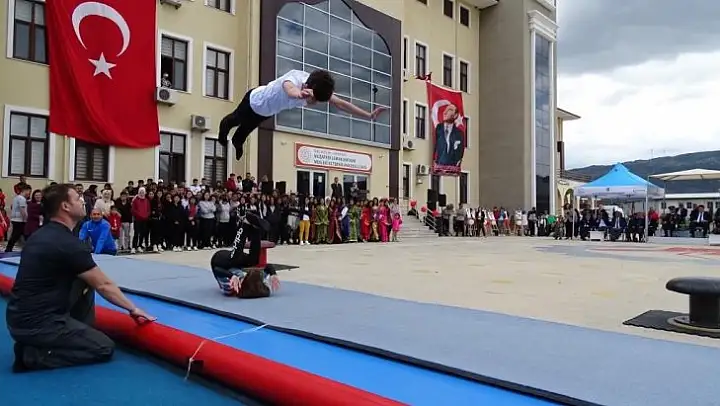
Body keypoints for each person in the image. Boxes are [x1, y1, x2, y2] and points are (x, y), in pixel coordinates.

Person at [6, 183, 155, 373]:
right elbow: (103, 284)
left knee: (83, 278)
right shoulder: (68, 244)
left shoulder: (39, 236)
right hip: (40, 324)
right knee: (103, 347)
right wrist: (133, 309)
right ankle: (35, 357)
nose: (83, 201)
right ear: (65, 207)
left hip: (17, 318)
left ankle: (74, 332)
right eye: (77, 198)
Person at [218, 69, 387, 160]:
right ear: (307, 87)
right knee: (233, 121)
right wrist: (298, 94)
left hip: (266, 111)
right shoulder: (294, 78)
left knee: (244, 132)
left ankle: (237, 141)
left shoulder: (318, 88)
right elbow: (289, 88)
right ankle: (222, 134)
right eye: (315, 99)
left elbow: (341, 104)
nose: (314, 103)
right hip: (253, 101)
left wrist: (369, 115)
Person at [210, 212, 280, 298]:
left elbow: (217, 269)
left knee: (234, 259)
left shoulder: (230, 288)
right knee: (253, 261)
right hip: (235, 262)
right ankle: (255, 229)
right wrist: (273, 274)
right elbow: (268, 266)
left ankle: (245, 225)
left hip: (219, 261)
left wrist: (232, 276)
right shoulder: (256, 283)